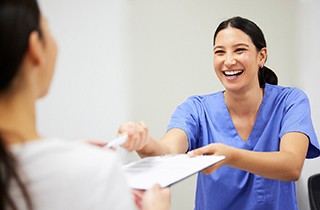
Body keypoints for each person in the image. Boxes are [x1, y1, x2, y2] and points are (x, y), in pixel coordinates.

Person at [118, 16, 320, 210]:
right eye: (220, 52)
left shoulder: (290, 102)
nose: (229, 61)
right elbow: (167, 151)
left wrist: (230, 156)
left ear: (261, 56)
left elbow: (291, 165)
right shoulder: (196, 109)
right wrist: (143, 142)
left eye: (239, 50)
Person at [0, 0, 170, 210]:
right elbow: (172, 151)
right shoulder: (95, 172)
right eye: (48, 26)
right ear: (35, 47)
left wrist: (67, 152)